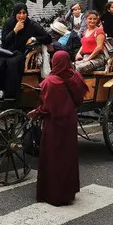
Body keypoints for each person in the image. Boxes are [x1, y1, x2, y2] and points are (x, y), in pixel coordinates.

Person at [28, 51, 88, 206]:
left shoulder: (51, 82)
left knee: (53, 157)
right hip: (69, 121)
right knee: (68, 156)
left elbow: (47, 107)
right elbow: (80, 98)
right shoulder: (75, 77)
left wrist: (36, 112)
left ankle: (53, 194)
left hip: (54, 123)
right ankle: (68, 193)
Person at [0, 3, 52, 100]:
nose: (22, 16)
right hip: (7, 52)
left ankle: (10, 95)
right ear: (15, 13)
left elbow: (47, 38)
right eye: (19, 13)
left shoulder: (32, 25)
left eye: (24, 13)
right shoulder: (9, 24)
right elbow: (4, 42)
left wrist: (34, 38)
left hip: (22, 52)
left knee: (13, 62)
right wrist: (15, 30)